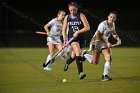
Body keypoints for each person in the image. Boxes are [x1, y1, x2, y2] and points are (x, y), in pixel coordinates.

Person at [82, 10, 121, 81]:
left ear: (115, 18)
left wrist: (118, 39)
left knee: (109, 57)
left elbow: (114, 33)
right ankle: (85, 55)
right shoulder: (103, 24)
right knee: (95, 62)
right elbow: (98, 36)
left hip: (104, 43)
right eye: (111, 17)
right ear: (108, 17)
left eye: (114, 17)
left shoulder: (113, 24)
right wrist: (107, 42)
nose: (112, 18)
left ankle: (104, 76)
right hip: (96, 42)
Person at [62, 2, 90, 79]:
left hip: (81, 38)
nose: (72, 12)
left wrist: (78, 32)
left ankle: (67, 63)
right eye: (71, 10)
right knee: (78, 51)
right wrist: (64, 39)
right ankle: (80, 73)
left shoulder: (81, 15)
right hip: (72, 38)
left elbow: (87, 27)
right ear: (68, 9)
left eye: (74, 10)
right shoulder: (67, 17)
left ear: (77, 9)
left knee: (74, 55)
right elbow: (63, 30)